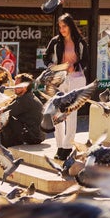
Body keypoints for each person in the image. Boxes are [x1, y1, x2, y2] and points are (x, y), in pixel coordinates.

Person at [44, 14, 89, 160]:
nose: (62, 29)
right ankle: (59, 146)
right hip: (59, 79)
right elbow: (46, 57)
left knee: (70, 113)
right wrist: (53, 67)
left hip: (76, 79)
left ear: (70, 26)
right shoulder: (55, 41)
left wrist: (74, 66)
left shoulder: (80, 41)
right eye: (60, 27)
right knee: (57, 112)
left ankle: (67, 146)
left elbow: (86, 60)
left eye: (64, 26)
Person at [0, 74, 47, 146]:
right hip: (38, 135)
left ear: (25, 87)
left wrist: (1, 109)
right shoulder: (28, 96)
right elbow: (11, 107)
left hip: (33, 137)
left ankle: (6, 147)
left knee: (5, 117)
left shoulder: (25, 99)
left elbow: (6, 111)